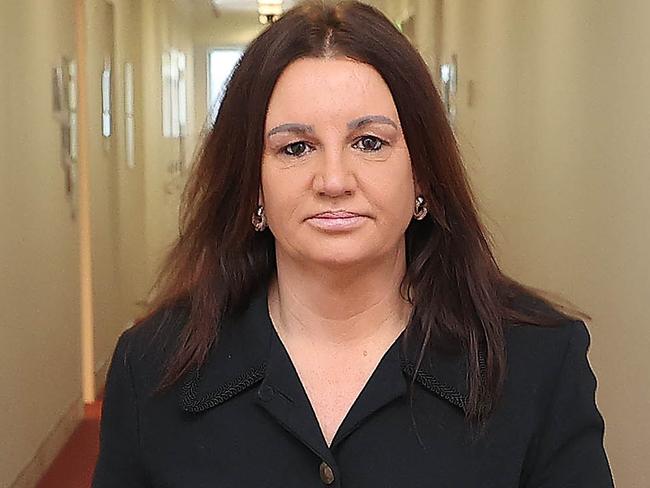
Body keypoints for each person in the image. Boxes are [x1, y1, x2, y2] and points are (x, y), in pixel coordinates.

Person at [92, 1, 615, 486]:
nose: (334, 179)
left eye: (369, 142)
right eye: (296, 147)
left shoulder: (539, 361)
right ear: (254, 185)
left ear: (423, 177)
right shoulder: (153, 366)